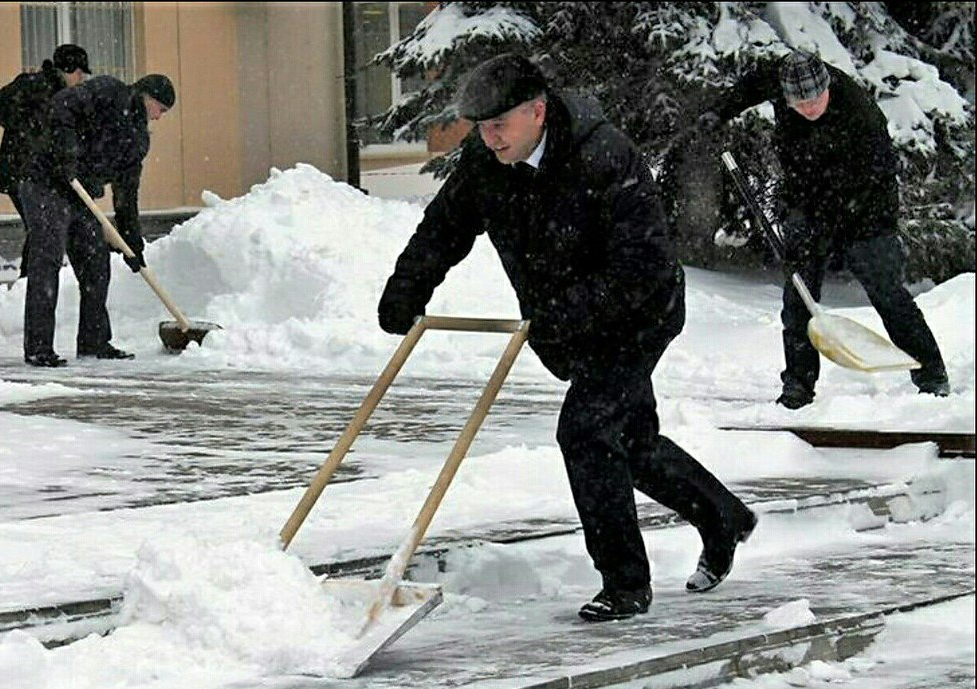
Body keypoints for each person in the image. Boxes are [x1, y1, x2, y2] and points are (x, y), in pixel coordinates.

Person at [378, 54, 757, 622]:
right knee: (629, 439)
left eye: (498, 124)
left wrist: (567, 311)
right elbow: (444, 228)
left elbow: (644, 264)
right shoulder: (486, 162)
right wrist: (406, 290)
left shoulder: (603, 155)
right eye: (480, 128)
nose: (488, 137)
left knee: (586, 431)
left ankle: (625, 583)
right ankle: (720, 515)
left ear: (537, 111)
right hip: (569, 324)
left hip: (637, 317)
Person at [699, 49, 949, 408]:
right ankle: (798, 386)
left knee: (886, 292)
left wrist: (835, 221)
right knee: (799, 296)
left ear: (827, 86)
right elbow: (750, 86)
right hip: (807, 200)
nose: (809, 108)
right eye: (799, 104)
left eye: (816, 100)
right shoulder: (782, 77)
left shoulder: (860, 116)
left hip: (867, 208)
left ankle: (931, 373)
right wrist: (719, 111)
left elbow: (875, 176)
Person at [18, 71, 176, 367]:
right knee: (48, 258)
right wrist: (65, 153)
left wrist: (132, 241)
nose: (159, 117)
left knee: (96, 264)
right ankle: (39, 347)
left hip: (80, 194)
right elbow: (62, 105)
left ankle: (94, 341)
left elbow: (126, 194)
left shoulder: (137, 140)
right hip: (45, 180)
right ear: (147, 96)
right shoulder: (108, 91)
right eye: (161, 109)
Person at [0, 44, 92, 280]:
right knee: (41, 228)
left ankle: (29, 283)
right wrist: (26, 130)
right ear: (66, 69)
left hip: (39, 172)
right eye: (79, 72)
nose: (81, 78)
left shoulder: (61, 94)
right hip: (22, 171)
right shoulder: (33, 85)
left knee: (40, 228)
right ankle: (30, 283)